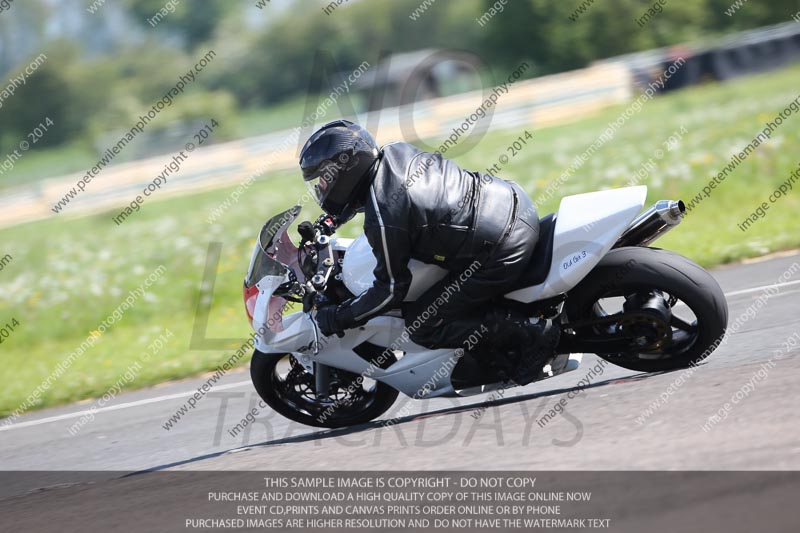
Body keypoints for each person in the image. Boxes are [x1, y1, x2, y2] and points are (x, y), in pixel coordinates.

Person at [300, 119, 559, 384]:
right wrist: (334, 220)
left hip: (503, 248)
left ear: (346, 169)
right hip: (511, 200)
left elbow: (390, 290)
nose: (321, 187)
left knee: (423, 323)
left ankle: (531, 335)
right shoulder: (394, 152)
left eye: (324, 178)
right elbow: (380, 198)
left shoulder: (385, 220)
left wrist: (339, 318)